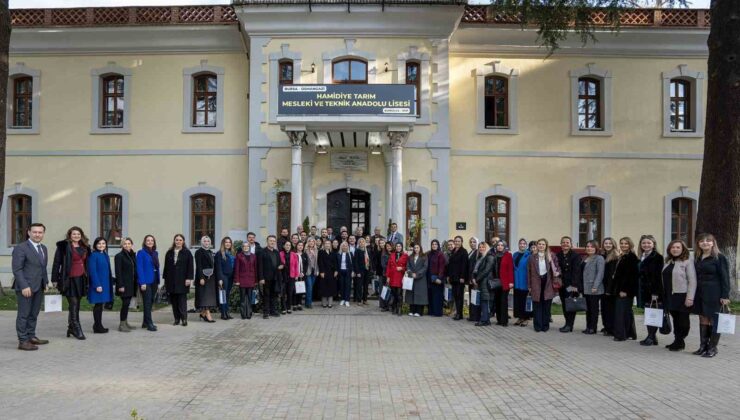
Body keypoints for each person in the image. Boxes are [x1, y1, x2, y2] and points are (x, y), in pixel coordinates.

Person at [12, 223, 50, 351]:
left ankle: (31, 336)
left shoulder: (43, 248)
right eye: (35, 232)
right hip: (26, 287)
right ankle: (22, 341)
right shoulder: (21, 248)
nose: (37, 234)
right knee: (24, 314)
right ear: (29, 232)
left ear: (43, 233)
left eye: (40, 232)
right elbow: (17, 269)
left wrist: (46, 282)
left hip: (39, 286)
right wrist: (24, 286)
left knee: (34, 313)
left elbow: (42, 267)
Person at [693, 233, 731, 358]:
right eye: (702, 241)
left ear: (713, 243)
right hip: (700, 292)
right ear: (698, 244)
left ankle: (712, 348)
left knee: (714, 320)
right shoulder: (698, 257)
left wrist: (725, 296)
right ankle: (703, 346)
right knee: (703, 318)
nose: (705, 243)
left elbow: (725, 278)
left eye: (708, 241)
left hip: (714, 292)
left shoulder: (719, 258)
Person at [53, 226, 92, 340]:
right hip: (68, 279)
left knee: (76, 304)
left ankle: (71, 327)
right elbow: (57, 262)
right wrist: (55, 279)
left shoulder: (85, 247)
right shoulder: (63, 246)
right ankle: (76, 328)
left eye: (78, 234)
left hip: (81, 278)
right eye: (74, 234)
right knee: (74, 303)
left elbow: (87, 263)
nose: (76, 236)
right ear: (70, 235)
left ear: (81, 235)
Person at [661, 240, 697, 351]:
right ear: (669, 249)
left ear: (683, 249)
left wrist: (690, 297)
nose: (675, 249)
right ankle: (677, 341)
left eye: (678, 247)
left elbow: (692, 280)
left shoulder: (687, 261)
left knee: (683, 321)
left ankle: (681, 340)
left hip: (682, 296)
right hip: (669, 295)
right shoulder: (668, 261)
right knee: (675, 319)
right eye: (673, 247)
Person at [527, 239, 560, 332]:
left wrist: (551, 261)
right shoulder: (532, 257)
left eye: (543, 244)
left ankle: (545, 325)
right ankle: (537, 326)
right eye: (539, 244)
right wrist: (529, 285)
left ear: (546, 246)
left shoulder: (551, 255)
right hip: (536, 283)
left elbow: (557, 269)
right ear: (537, 245)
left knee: (546, 305)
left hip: (548, 282)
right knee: (537, 305)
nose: (541, 246)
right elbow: (528, 272)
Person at [638, 234, 664, 346]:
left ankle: (651, 337)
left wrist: (655, 293)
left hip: (653, 291)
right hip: (644, 290)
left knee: (653, 313)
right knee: (648, 313)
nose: (646, 245)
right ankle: (652, 336)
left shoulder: (657, 257)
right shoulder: (642, 256)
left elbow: (657, 277)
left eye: (649, 243)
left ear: (653, 244)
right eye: (643, 243)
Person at [163, 234, 194, 326]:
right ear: (174, 241)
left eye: (180, 240)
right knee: (174, 301)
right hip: (171, 280)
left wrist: (189, 278)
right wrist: (165, 280)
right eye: (177, 240)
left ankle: (184, 319)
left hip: (182, 280)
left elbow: (190, 267)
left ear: (183, 241)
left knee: (182, 301)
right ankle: (176, 319)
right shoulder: (169, 252)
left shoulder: (187, 253)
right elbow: (166, 267)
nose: (178, 242)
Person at [612, 237, 639, 342]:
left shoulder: (631, 257)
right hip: (621, 288)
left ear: (630, 245)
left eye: (626, 244)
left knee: (620, 312)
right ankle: (630, 333)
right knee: (627, 312)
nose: (623, 245)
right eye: (621, 243)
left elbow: (630, 276)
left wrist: (624, 290)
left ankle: (620, 335)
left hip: (625, 290)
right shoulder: (623, 256)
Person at [556, 236, 582, 333]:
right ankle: (567, 323)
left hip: (571, 285)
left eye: (567, 242)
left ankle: (569, 325)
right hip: (562, 284)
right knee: (564, 304)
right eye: (563, 242)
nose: (565, 244)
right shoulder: (558, 255)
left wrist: (575, 286)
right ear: (561, 244)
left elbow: (577, 271)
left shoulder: (575, 256)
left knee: (570, 303)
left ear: (571, 244)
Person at [87, 237, 113, 333]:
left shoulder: (105, 255)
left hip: (105, 284)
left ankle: (97, 325)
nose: (101, 245)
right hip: (98, 285)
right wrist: (97, 285)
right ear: (95, 245)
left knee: (100, 305)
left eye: (103, 243)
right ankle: (98, 326)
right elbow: (92, 271)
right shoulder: (94, 255)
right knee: (98, 305)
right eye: (99, 243)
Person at [581, 240, 605, 335]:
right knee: (588, 309)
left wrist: (595, 286)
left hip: (594, 288)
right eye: (587, 246)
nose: (589, 248)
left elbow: (600, 273)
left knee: (594, 309)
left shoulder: (599, 258)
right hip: (585, 288)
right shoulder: (584, 258)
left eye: (591, 246)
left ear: (596, 248)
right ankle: (588, 326)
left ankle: (593, 328)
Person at [114, 237, 138, 332]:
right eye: (125, 244)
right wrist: (120, 285)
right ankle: (122, 325)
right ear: (122, 245)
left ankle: (125, 322)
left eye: (129, 243)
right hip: (124, 285)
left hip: (132, 284)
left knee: (127, 304)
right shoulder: (119, 256)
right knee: (125, 304)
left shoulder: (132, 255)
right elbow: (118, 272)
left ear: (131, 244)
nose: (127, 245)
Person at [136, 235, 159, 331]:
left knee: (151, 301)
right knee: (147, 302)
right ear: (145, 242)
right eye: (148, 240)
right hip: (145, 281)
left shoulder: (155, 253)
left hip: (154, 280)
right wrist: (142, 282)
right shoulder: (141, 253)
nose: (150, 242)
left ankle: (145, 322)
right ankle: (149, 323)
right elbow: (139, 268)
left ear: (154, 242)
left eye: (152, 240)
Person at [193, 236, 217, 323]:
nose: (206, 242)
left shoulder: (210, 252)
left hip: (211, 277)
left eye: (208, 241)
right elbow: (198, 266)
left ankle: (202, 314)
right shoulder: (199, 252)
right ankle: (208, 314)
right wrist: (201, 278)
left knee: (208, 297)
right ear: (202, 242)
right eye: (205, 241)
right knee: (204, 297)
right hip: (203, 277)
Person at [471, 241, 494, 326]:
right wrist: (473, 278)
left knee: (485, 301)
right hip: (480, 281)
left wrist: (477, 279)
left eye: (483, 247)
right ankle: (486, 319)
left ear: (486, 248)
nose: (481, 248)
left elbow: (486, 271)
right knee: (482, 301)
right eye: (480, 247)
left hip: (485, 282)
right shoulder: (480, 257)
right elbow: (475, 270)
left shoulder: (490, 257)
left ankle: (484, 320)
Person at [600, 237, 620, 336]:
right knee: (604, 308)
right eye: (605, 243)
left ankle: (611, 328)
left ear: (613, 245)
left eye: (609, 243)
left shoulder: (615, 257)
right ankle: (606, 326)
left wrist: (609, 289)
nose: (607, 245)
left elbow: (613, 275)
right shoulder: (603, 255)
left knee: (610, 309)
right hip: (603, 286)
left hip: (610, 288)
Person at [491, 241, 514, 326]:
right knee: (497, 301)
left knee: (503, 301)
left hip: (505, 282)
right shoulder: (494, 255)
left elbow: (511, 269)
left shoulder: (508, 255)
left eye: (502, 245)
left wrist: (511, 282)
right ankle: (499, 320)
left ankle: (504, 321)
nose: (500, 247)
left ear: (504, 247)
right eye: (498, 245)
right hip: (496, 282)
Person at [233, 240, 257, 319]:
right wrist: (237, 280)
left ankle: (249, 313)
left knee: (250, 298)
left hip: (251, 279)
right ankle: (243, 314)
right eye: (244, 246)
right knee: (243, 298)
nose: (246, 247)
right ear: (242, 248)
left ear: (249, 247)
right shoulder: (239, 255)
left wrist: (256, 280)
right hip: (242, 279)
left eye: (247, 246)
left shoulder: (253, 256)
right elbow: (237, 268)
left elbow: (255, 268)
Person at [258, 235, 281, 318]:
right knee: (266, 295)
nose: (272, 242)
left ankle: (273, 311)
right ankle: (266, 312)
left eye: (274, 241)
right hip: (266, 278)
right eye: (270, 240)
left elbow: (279, 263)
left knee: (274, 295)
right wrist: (261, 278)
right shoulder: (262, 251)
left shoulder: (276, 252)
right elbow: (260, 266)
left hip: (275, 278)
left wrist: (280, 266)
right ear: (267, 241)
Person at [512, 239, 534, 327]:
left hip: (525, 281)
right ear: (518, 245)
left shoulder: (529, 255)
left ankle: (526, 318)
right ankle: (520, 317)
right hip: (517, 281)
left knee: (525, 301)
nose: (522, 245)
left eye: (524, 244)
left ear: (526, 245)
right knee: (518, 301)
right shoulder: (515, 254)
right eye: (520, 243)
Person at [446, 236, 468, 321]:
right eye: (455, 241)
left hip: (459, 278)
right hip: (453, 277)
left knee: (459, 296)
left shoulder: (464, 251)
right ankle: (457, 312)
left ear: (461, 242)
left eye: (458, 241)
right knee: (455, 296)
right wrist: (448, 275)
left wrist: (462, 277)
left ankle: (459, 314)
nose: (457, 243)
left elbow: (464, 265)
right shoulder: (453, 251)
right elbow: (450, 265)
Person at [214, 237, 235, 320]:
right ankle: (223, 313)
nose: (228, 244)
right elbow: (218, 267)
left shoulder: (232, 253)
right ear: (223, 243)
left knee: (227, 295)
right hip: (223, 276)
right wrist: (220, 279)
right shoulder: (219, 254)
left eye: (229, 242)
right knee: (223, 295)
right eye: (226, 242)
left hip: (230, 276)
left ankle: (227, 312)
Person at [405, 243, 428, 317]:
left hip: (420, 279)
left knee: (420, 295)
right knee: (411, 295)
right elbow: (407, 266)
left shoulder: (424, 257)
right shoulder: (410, 257)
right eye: (415, 248)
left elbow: (425, 267)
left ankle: (419, 311)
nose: (416, 249)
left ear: (420, 248)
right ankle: (411, 310)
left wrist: (417, 274)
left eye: (417, 247)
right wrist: (411, 273)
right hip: (411, 278)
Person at [386, 242, 408, 316]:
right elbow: (388, 266)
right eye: (397, 246)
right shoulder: (392, 255)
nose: (398, 247)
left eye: (400, 246)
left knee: (399, 294)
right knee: (394, 293)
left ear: (402, 247)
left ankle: (399, 309)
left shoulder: (405, 255)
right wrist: (388, 277)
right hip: (392, 276)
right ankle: (394, 307)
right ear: (395, 247)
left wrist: (402, 268)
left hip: (400, 277)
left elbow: (407, 267)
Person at [427, 239, 446, 317]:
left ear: (438, 245)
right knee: (430, 295)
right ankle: (431, 311)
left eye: (435, 244)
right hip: (429, 278)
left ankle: (437, 312)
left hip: (437, 278)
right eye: (433, 244)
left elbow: (442, 267)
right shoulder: (429, 254)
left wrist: (439, 277)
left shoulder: (440, 254)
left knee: (437, 296)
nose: (434, 245)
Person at [318, 240, 337, 308]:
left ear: (330, 245)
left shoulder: (333, 252)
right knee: (324, 287)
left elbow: (335, 263)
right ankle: (324, 303)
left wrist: (336, 270)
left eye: (329, 243)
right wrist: (321, 271)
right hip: (324, 272)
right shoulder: (321, 252)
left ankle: (330, 303)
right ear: (324, 244)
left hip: (331, 272)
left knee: (331, 287)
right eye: (326, 243)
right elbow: (320, 263)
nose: (327, 245)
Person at [336, 241, 355, 307]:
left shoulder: (350, 254)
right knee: (342, 286)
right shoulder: (338, 254)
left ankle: (347, 300)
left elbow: (353, 264)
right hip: (340, 271)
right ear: (341, 246)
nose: (344, 247)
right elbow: (336, 264)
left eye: (346, 246)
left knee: (347, 286)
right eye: (343, 246)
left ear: (347, 247)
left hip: (348, 272)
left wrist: (353, 271)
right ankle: (342, 299)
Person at [467, 237, 481, 322]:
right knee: (471, 297)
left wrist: (473, 278)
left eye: (474, 242)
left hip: (475, 279)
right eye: (471, 242)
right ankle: (472, 315)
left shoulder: (477, 253)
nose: (472, 244)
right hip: (470, 278)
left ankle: (476, 316)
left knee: (476, 297)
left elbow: (476, 267)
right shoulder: (471, 252)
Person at [279, 240, 294, 314]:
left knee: (290, 293)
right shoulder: (280, 254)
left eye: (289, 245)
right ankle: (283, 308)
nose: (288, 246)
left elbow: (296, 265)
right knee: (283, 293)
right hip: (282, 276)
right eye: (286, 245)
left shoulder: (293, 254)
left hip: (291, 276)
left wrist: (296, 275)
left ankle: (289, 307)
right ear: (283, 246)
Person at [353, 238, 369, 305]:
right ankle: (359, 300)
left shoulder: (367, 250)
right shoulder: (357, 251)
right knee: (359, 286)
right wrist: (357, 272)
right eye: (360, 242)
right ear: (358, 243)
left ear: (365, 243)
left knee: (366, 286)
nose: (362, 243)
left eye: (363, 242)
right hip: (360, 271)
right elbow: (355, 262)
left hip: (367, 270)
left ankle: (365, 299)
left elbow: (370, 260)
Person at [304, 238, 319, 309]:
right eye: (310, 241)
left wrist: (318, 270)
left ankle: (307, 302)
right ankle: (309, 303)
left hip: (314, 271)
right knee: (309, 287)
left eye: (313, 241)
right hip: (308, 271)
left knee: (310, 287)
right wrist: (311, 254)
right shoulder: (305, 251)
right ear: (308, 242)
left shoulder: (317, 250)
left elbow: (318, 262)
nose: (311, 242)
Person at [292, 241, 307, 311]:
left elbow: (306, 265)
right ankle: (294, 304)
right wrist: (296, 273)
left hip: (302, 275)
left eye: (302, 245)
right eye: (299, 245)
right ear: (296, 246)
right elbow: (292, 265)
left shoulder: (304, 254)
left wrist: (303, 272)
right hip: (295, 275)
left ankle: (299, 304)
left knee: (300, 290)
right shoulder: (293, 254)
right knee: (295, 290)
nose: (300, 246)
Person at [379, 241, 393, 311]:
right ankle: (384, 306)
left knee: (392, 291)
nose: (389, 247)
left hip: (394, 275)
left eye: (390, 246)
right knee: (385, 290)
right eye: (387, 246)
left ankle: (391, 305)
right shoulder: (384, 254)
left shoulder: (394, 254)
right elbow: (383, 265)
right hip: (385, 274)